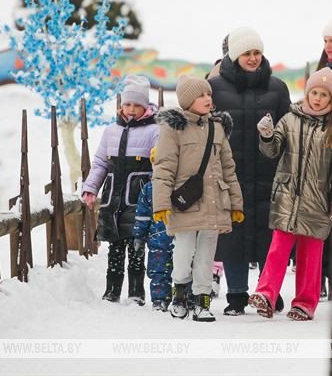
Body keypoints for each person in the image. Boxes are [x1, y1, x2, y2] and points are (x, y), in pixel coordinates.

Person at [248, 68, 332, 320]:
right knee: (278, 248)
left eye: (324, 95)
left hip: (318, 202)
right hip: (287, 197)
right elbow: (272, 151)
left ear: (331, 99)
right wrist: (267, 136)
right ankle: (266, 293)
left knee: (310, 255)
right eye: (314, 92)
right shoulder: (290, 119)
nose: (317, 98)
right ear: (306, 92)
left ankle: (304, 302)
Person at [209, 27, 291, 315]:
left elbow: (288, 130)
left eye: (257, 52)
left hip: (269, 173)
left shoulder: (277, 88)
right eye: (247, 53)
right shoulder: (216, 88)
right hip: (231, 174)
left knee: (269, 235)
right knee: (233, 234)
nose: (253, 58)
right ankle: (236, 294)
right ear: (235, 55)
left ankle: (268, 291)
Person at [152, 75, 243, 322]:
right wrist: (160, 204)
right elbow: (163, 168)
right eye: (200, 95)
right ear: (187, 101)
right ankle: (179, 295)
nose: (207, 99)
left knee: (206, 255)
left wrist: (235, 203)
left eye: (208, 94)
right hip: (186, 203)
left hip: (215, 202)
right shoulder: (173, 129)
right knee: (183, 253)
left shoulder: (218, 127)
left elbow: (228, 167)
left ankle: (202, 302)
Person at [81, 75, 159, 304]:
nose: (132, 109)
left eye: (137, 105)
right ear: (121, 106)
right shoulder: (110, 131)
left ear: (145, 106)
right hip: (113, 198)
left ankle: (136, 293)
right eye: (128, 104)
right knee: (115, 248)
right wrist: (91, 187)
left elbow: (161, 164)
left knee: (136, 247)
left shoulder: (154, 131)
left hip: (139, 198)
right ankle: (112, 290)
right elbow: (100, 163)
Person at [133, 179, 174, 311]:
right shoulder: (150, 188)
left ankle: (187, 297)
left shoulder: (183, 182)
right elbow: (142, 214)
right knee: (158, 270)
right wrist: (139, 235)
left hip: (181, 236)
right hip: (157, 238)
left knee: (185, 268)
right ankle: (159, 299)